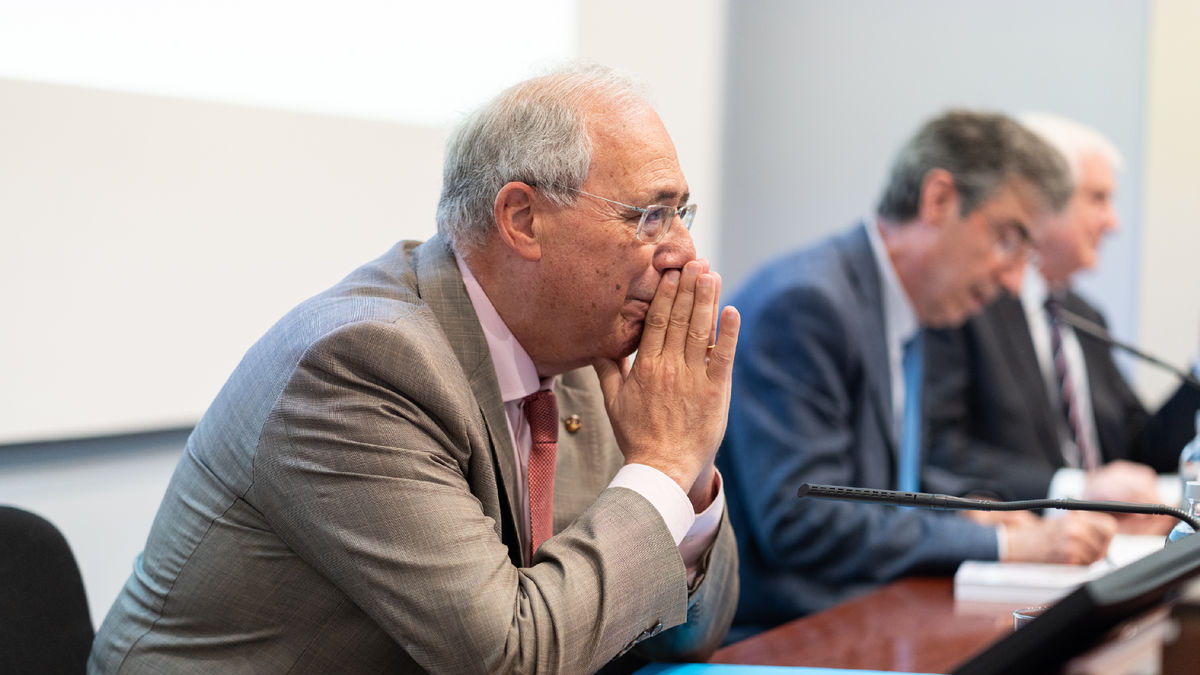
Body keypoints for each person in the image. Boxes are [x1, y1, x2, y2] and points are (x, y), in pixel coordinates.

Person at [89, 65, 742, 674]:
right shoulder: (358, 365)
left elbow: (689, 634)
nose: (684, 253)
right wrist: (657, 464)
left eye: (681, 214)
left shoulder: (589, 362)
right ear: (522, 219)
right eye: (650, 217)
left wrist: (683, 477)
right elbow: (510, 657)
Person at [716, 110, 1118, 632]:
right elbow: (803, 518)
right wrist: (1008, 543)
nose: (1016, 280)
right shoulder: (808, 303)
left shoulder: (910, 308)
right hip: (779, 637)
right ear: (939, 201)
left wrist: (969, 509)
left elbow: (883, 479)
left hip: (862, 621)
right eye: (1009, 239)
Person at [923, 113, 1200, 521]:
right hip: (1010, 553)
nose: (1114, 223)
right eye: (1098, 198)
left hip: (1106, 548)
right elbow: (940, 452)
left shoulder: (1081, 315)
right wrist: (1076, 490)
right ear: (1042, 202)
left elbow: (1140, 449)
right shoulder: (966, 303)